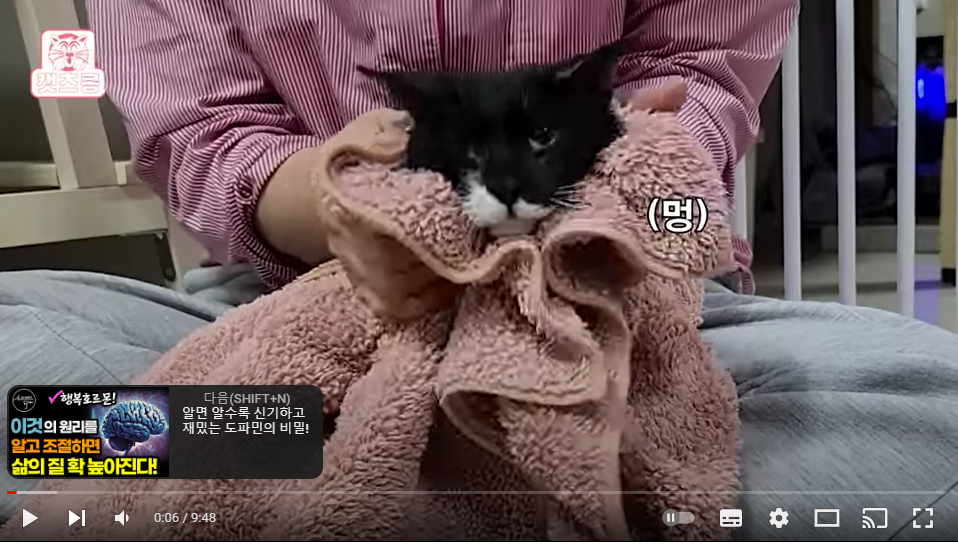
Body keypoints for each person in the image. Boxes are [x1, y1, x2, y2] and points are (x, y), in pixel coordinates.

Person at [2, 1, 957, 539]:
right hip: (286, 301)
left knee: (937, 423)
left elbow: (692, 91)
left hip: (625, 305)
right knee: (33, 418)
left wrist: (632, 189)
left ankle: (338, 484)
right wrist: (341, 208)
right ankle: (523, 489)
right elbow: (206, 140)